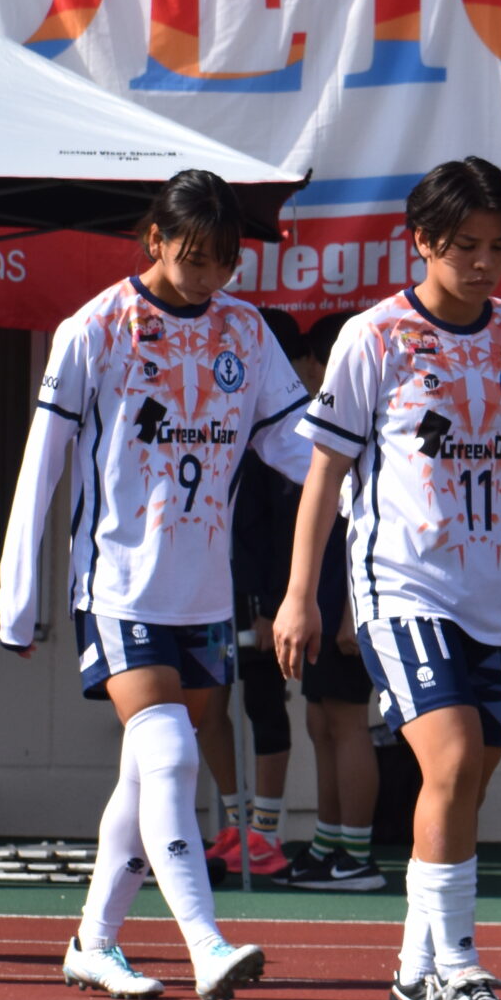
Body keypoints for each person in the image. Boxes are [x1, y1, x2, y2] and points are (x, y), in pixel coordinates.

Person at [275, 158, 501, 1000]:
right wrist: (302, 594)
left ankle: (414, 969)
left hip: (496, 597)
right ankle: (458, 965)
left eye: (499, 247)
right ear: (421, 240)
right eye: (464, 246)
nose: (483, 263)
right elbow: (324, 473)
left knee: (463, 787)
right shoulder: (374, 337)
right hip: (403, 588)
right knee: (447, 763)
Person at [0, 171, 308, 1000]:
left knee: (147, 776)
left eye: (224, 262)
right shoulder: (95, 327)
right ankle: (206, 943)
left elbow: (296, 443)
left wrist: (365, 491)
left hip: (204, 593)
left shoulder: (246, 330)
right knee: (170, 754)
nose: (208, 277)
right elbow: (42, 463)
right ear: (155, 238)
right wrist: (18, 596)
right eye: (194, 257)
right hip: (120, 584)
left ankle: (92, 942)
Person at [198, 306, 307, 882]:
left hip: (261, 593)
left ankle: (265, 835)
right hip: (209, 585)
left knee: (264, 703)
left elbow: (281, 529)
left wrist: (271, 602)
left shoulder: (283, 428)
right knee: (206, 704)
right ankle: (236, 823)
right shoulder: (223, 405)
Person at [281, 311, 383, 892]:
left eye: (312, 365)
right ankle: (329, 841)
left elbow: (355, 524)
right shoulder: (329, 422)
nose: (307, 376)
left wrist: (348, 612)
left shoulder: (361, 421)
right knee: (319, 719)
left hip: (351, 593)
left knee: (347, 721)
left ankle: (357, 853)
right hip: (320, 591)